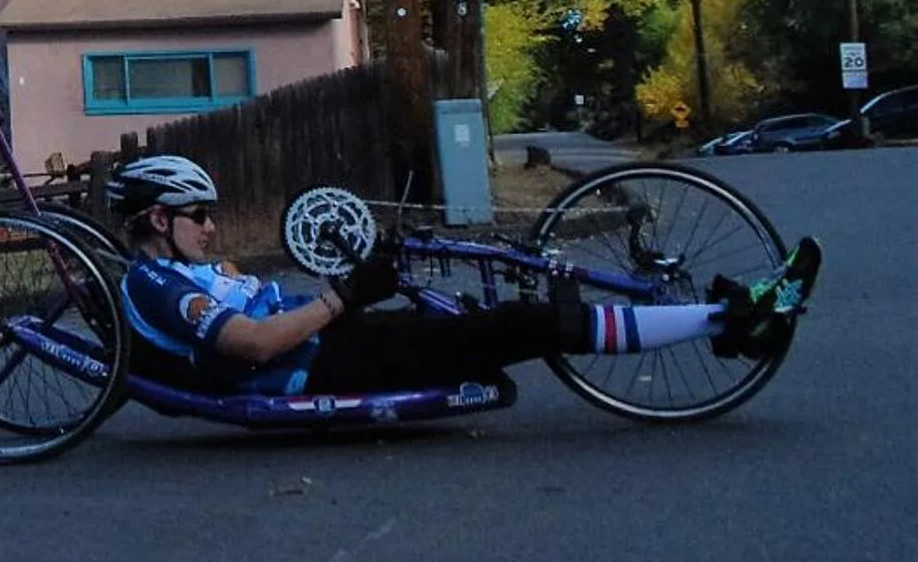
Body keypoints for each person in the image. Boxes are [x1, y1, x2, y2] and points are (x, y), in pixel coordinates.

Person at [109, 155, 822, 398]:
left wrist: (356, 276)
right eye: (197, 213)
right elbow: (257, 344)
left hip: (338, 337)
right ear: (156, 219)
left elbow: (261, 290)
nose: (211, 225)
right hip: (323, 363)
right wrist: (345, 293)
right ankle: (732, 322)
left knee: (488, 294)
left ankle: (707, 314)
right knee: (520, 325)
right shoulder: (160, 286)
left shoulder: (196, 267)